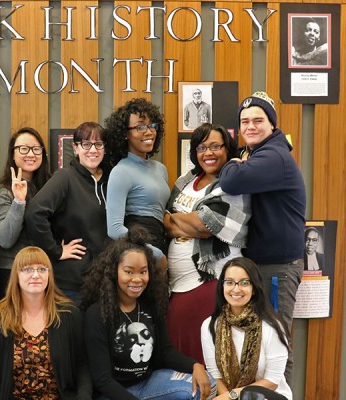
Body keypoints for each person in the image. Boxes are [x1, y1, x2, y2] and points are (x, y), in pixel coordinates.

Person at [218, 91, 306, 384]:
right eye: (245, 122)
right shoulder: (261, 154)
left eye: (258, 120)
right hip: (264, 267)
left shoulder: (273, 155)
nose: (250, 126)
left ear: (272, 125)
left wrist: (233, 160)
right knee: (261, 345)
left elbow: (230, 181)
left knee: (277, 345)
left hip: (277, 269)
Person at [81, 225, 214, 400]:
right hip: (113, 393)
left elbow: (165, 352)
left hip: (148, 383)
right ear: (114, 272)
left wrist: (195, 365)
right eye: (129, 272)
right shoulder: (97, 313)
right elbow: (103, 380)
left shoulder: (150, 305)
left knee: (207, 383)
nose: (137, 279)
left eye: (143, 272)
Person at [165, 123, 251, 364]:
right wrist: (186, 221)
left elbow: (206, 227)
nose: (208, 153)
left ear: (227, 149)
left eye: (215, 146)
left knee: (209, 361)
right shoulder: (186, 180)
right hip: (176, 288)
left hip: (210, 283)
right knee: (184, 362)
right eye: (202, 147)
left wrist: (175, 221)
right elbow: (162, 221)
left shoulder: (233, 183)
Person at [0, 246, 91, 399]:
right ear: (16, 274)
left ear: (49, 275)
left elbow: (82, 366)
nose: (36, 275)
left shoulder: (69, 314)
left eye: (42, 269)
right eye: (27, 270)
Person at [25, 122, 109, 303]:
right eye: (86, 144)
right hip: (71, 284)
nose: (93, 150)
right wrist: (55, 250)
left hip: (103, 281)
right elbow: (34, 213)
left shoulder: (110, 180)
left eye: (98, 144)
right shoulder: (66, 177)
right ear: (76, 148)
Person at [201, 257, 292, 400]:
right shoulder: (209, 325)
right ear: (222, 286)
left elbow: (272, 382)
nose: (236, 289)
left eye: (244, 283)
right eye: (230, 282)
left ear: (254, 288)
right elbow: (215, 375)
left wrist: (232, 396)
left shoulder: (272, 326)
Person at [0, 127, 51, 300]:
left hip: (42, 271)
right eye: (23, 148)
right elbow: (5, 239)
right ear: (13, 154)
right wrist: (19, 201)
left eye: (36, 149)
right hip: (12, 272)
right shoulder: (2, 190)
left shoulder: (49, 186)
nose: (31, 154)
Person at [104, 98, 169, 253]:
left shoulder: (160, 169)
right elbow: (114, 229)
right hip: (138, 251)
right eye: (140, 127)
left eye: (152, 125)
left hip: (161, 243)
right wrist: (154, 253)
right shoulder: (121, 171)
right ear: (125, 134)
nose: (149, 131)